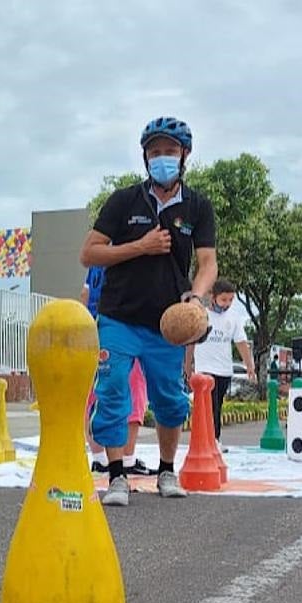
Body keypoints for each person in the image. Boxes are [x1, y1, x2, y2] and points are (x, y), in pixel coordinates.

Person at [80, 116, 218, 506]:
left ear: (184, 155)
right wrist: (138, 246)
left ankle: (166, 471)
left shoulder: (197, 206)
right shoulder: (124, 201)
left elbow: (208, 263)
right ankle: (117, 476)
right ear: (144, 158)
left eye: (169, 152)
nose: (162, 159)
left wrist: (196, 296)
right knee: (111, 393)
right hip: (119, 317)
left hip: (167, 323)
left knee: (170, 399)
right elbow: (89, 252)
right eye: (154, 152)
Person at [82, 267, 152, 476]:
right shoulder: (130, 255)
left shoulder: (96, 262)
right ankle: (127, 459)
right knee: (133, 392)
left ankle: (99, 458)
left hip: (96, 329)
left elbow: (84, 294)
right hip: (124, 329)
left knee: (96, 393)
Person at [185, 279, 256, 449]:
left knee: (218, 405)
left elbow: (241, 342)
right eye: (224, 300)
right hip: (205, 369)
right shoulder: (202, 315)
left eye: (231, 300)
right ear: (213, 297)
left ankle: (213, 438)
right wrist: (188, 365)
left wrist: (250, 365)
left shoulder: (233, 317)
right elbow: (191, 342)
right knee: (210, 406)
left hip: (224, 369)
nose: (227, 304)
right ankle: (213, 440)